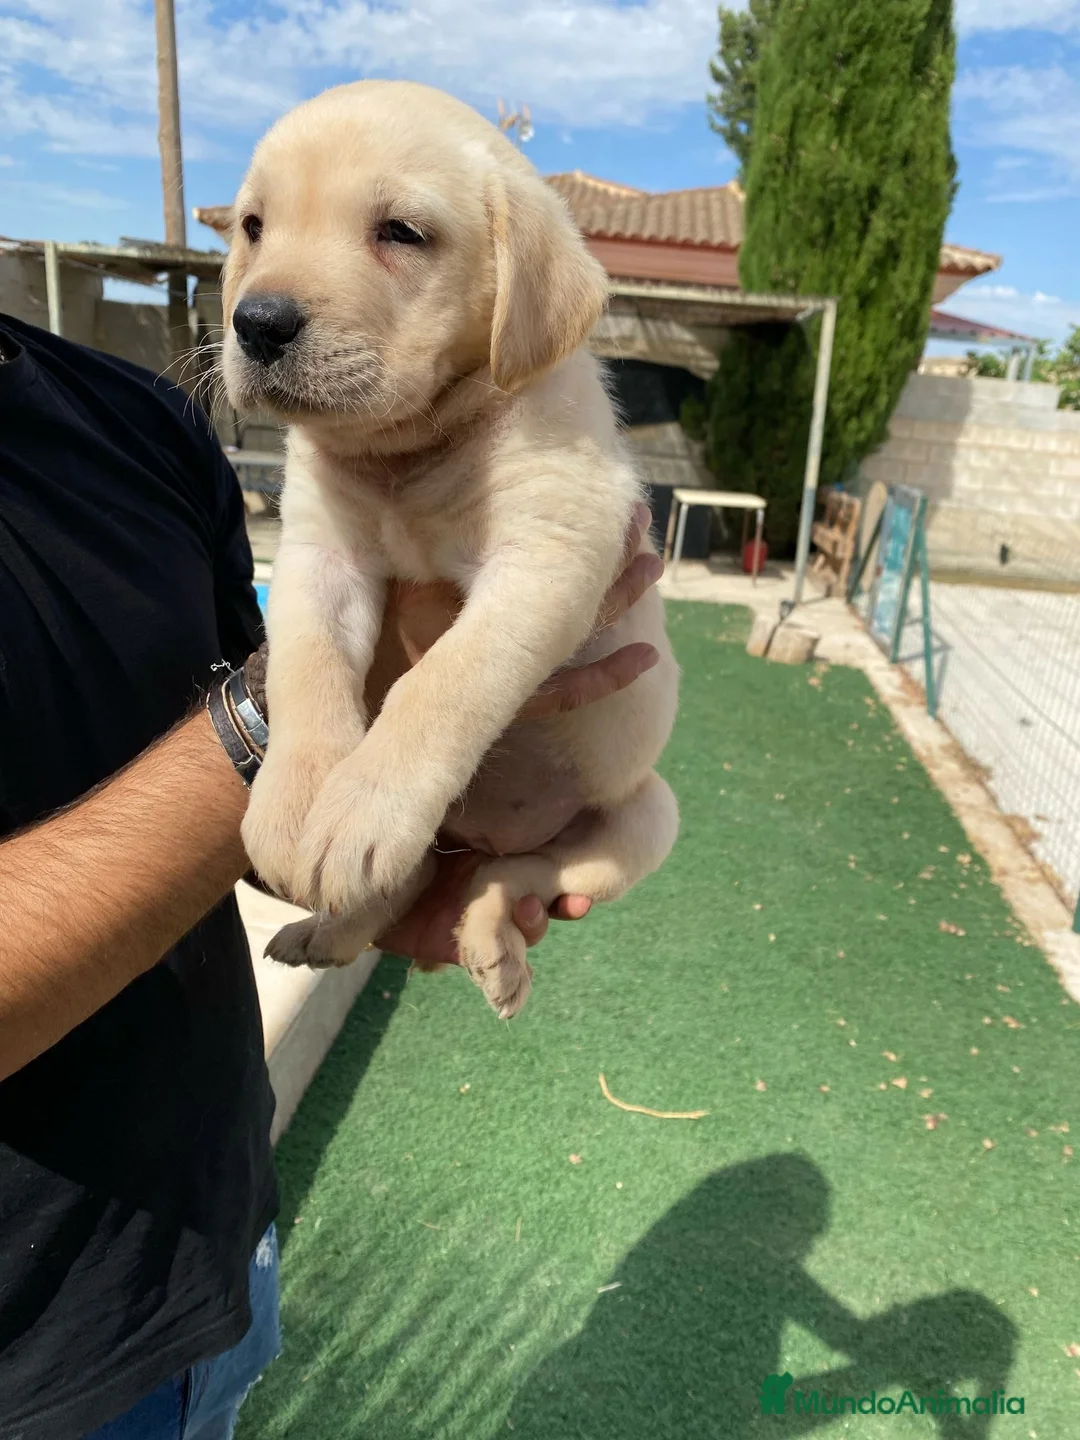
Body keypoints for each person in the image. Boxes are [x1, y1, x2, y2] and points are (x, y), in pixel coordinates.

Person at [0, 310, 662, 1439]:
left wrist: (377, 868)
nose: (266, 295)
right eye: (252, 228)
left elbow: (220, 780)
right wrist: (308, 742)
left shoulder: (134, 416)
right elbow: (288, 710)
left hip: (215, 1240)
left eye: (399, 233)